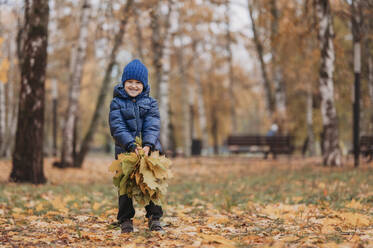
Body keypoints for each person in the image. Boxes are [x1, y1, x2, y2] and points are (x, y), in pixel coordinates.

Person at [109, 59, 163, 233]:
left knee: (151, 183)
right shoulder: (116, 103)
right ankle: (125, 219)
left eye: (138, 83)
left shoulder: (151, 103)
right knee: (124, 185)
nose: (133, 86)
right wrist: (131, 145)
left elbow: (152, 125)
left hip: (149, 150)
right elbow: (117, 126)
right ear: (123, 83)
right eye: (130, 82)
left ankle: (154, 217)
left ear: (144, 84)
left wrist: (148, 145)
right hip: (125, 151)